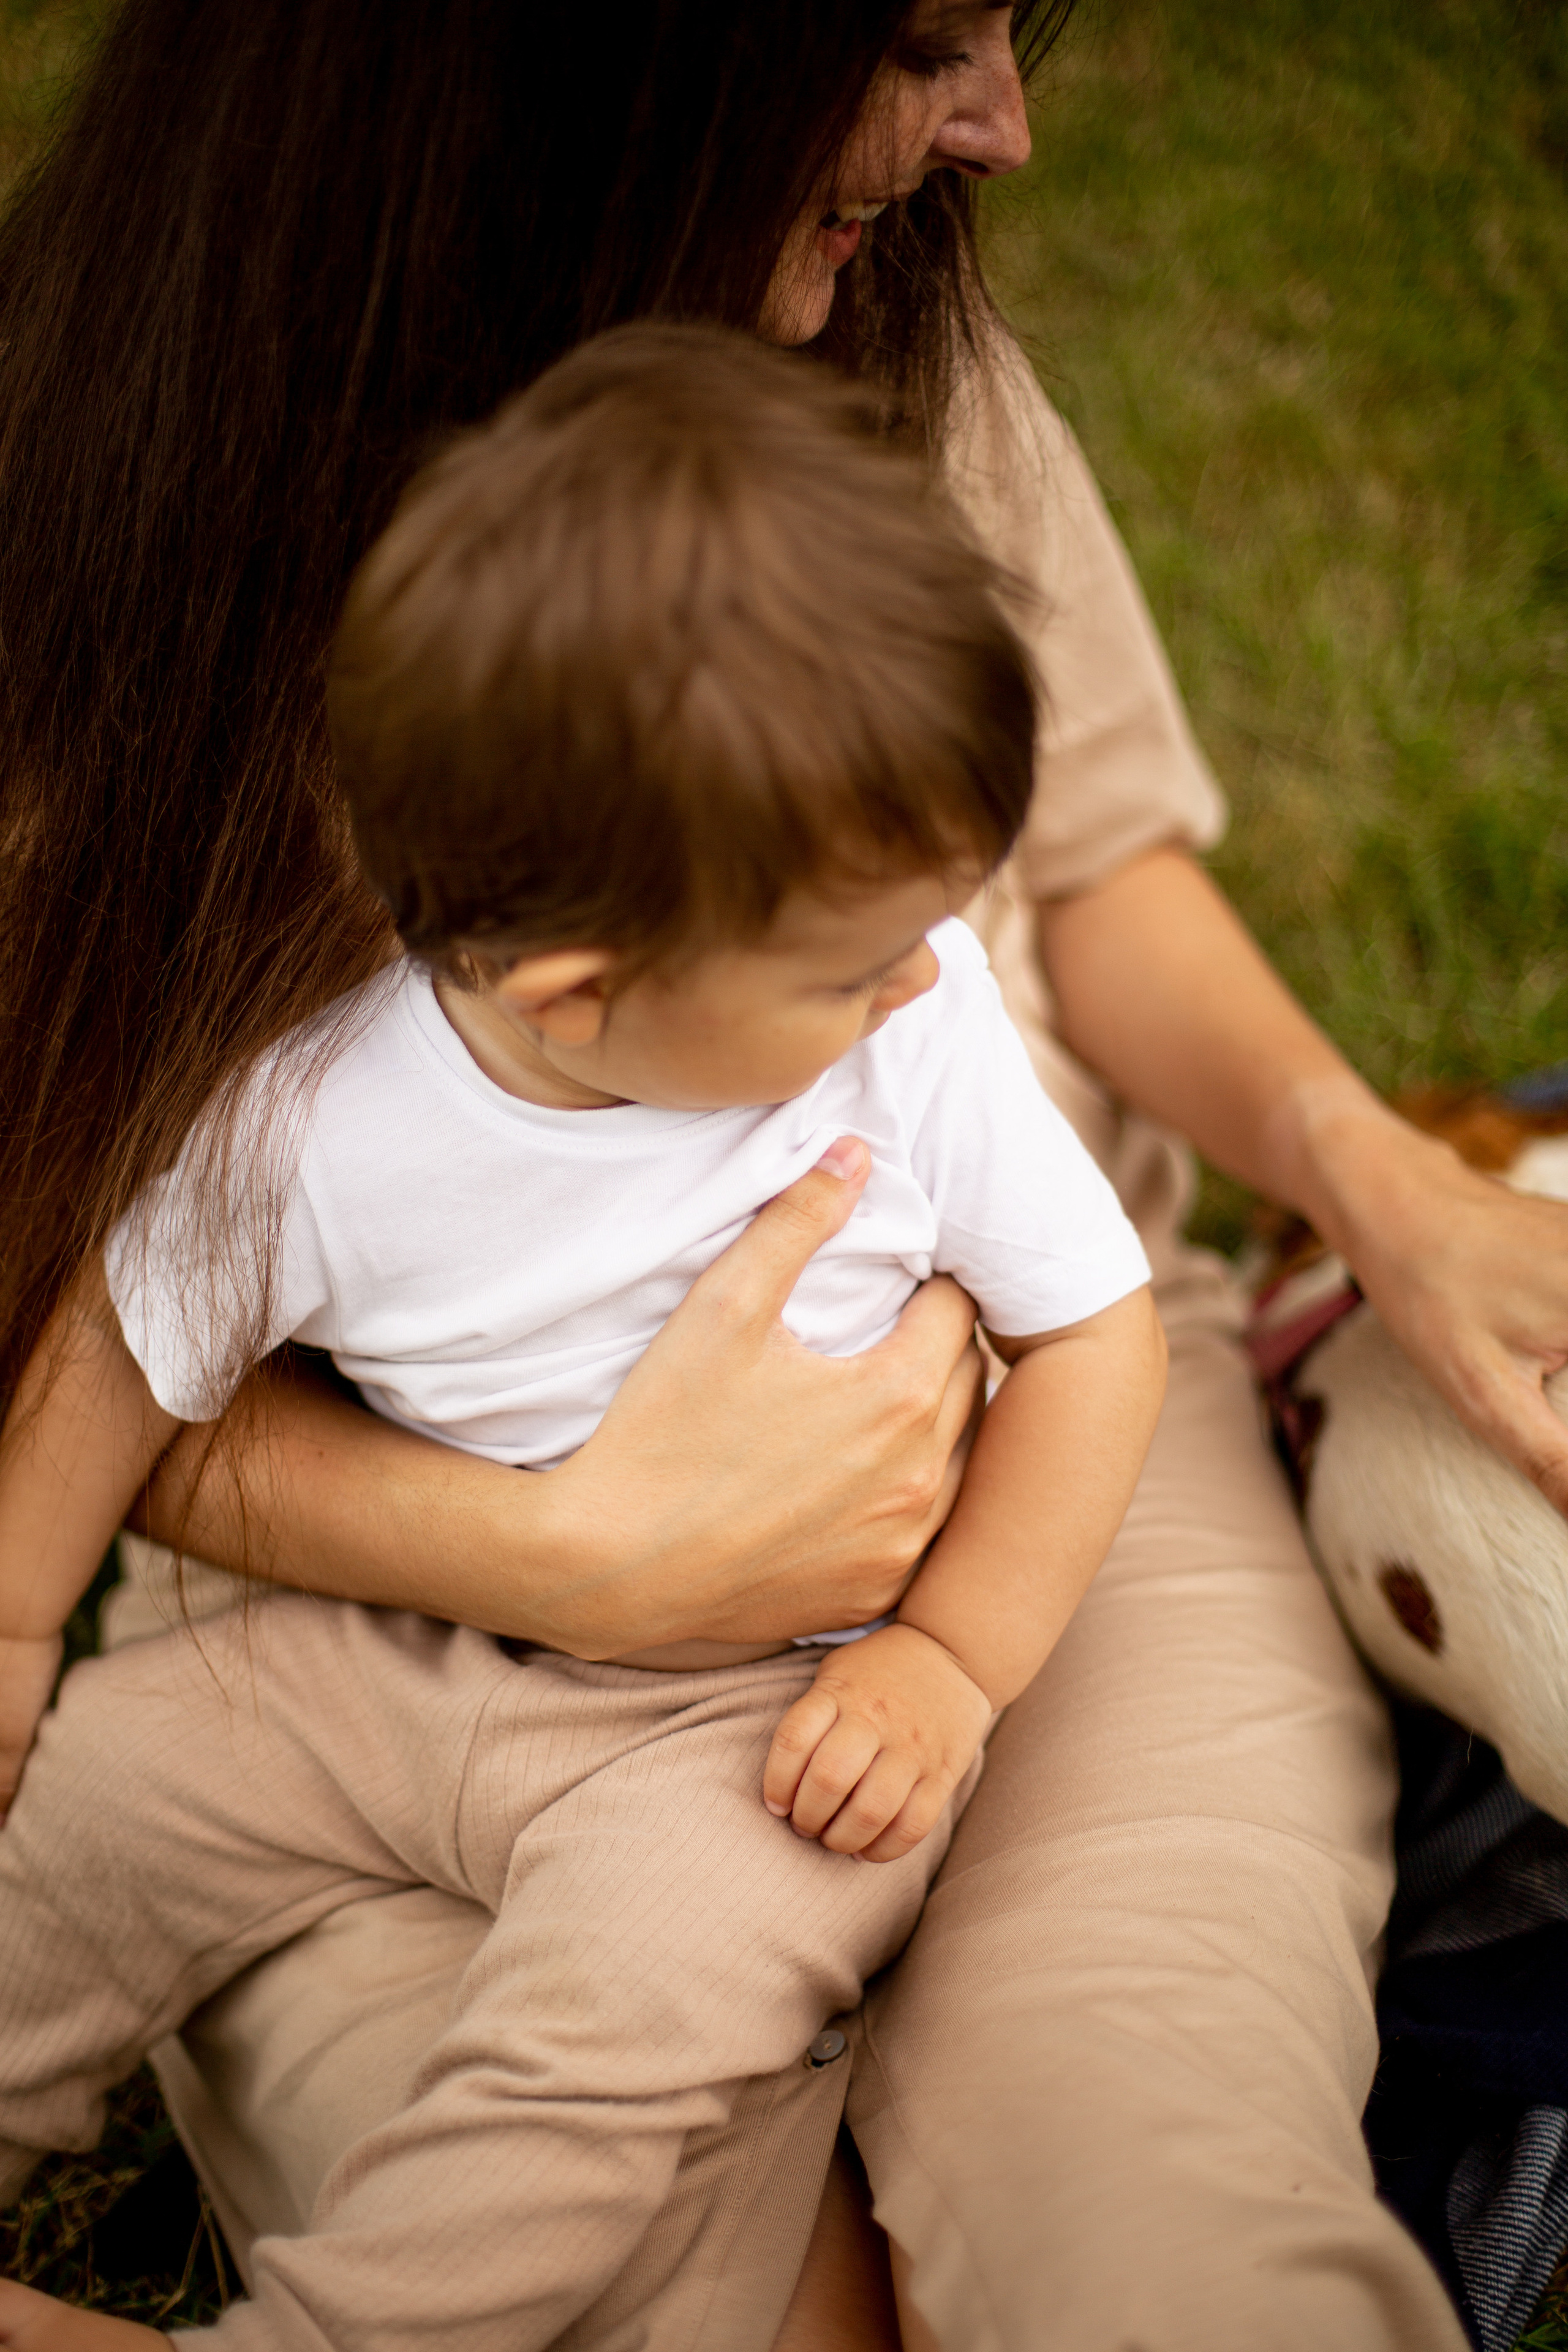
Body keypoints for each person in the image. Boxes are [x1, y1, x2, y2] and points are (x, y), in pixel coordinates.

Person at [1, 2, 1561, 2347]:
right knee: (571, 2234)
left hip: (982, 1536)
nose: (1004, 130)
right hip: (368, 1603)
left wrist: (1359, 1170)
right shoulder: (137, 645)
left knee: (1154, 2212)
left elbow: (1098, 928)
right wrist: (539, 1547)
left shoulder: (915, 979)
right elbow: (106, 1322)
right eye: (925, 34)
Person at [0, 325, 1165, 2351]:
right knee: (91, 1809)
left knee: (606, 2047)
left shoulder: (915, 1048)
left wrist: (947, 1660)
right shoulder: (315, 1116)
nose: (925, 979)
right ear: (579, 992)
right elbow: (124, 1336)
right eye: (852, 958)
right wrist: (19, 1629)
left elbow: (1098, 1336)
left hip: (752, 1739)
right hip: (398, 1657)